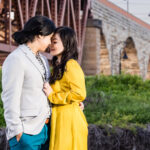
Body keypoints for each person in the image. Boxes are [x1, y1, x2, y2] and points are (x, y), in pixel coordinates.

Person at [1, 15, 55, 150]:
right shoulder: (16, 59)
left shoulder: (43, 60)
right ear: (40, 35)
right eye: (50, 38)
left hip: (45, 130)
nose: (50, 43)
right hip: (26, 133)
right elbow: (9, 97)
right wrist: (17, 131)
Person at [43, 26, 88, 150]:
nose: (51, 44)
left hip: (69, 121)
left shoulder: (71, 65)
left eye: (55, 41)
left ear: (67, 43)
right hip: (61, 119)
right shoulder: (58, 67)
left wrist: (52, 95)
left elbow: (79, 93)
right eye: (51, 41)